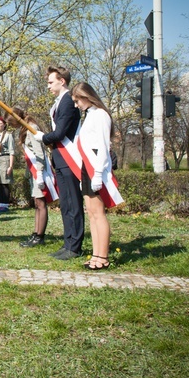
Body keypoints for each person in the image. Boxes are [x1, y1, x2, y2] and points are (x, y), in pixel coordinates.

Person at [32, 66, 84, 260]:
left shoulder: (69, 102)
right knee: (65, 204)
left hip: (69, 157)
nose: (48, 86)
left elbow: (60, 133)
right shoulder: (59, 102)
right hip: (60, 158)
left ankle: (75, 247)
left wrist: (42, 137)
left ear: (62, 81)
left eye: (51, 82)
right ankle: (68, 243)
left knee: (73, 203)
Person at [70, 82, 122, 270]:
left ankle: (103, 257)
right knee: (91, 213)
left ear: (86, 96)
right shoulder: (90, 115)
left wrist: (98, 173)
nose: (76, 105)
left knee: (98, 214)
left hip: (95, 168)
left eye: (77, 100)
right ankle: (95, 254)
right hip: (87, 168)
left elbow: (101, 145)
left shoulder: (100, 115)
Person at [8, 108, 53, 247]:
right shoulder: (24, 129)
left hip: (40, 171)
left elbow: (39, 152)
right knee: (37, 203)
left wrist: (39, 173)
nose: (10, 126)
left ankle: (40, 236)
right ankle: (35, 233)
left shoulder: (31, 128)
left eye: (11, 123)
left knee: (41, 203)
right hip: (33, 171)